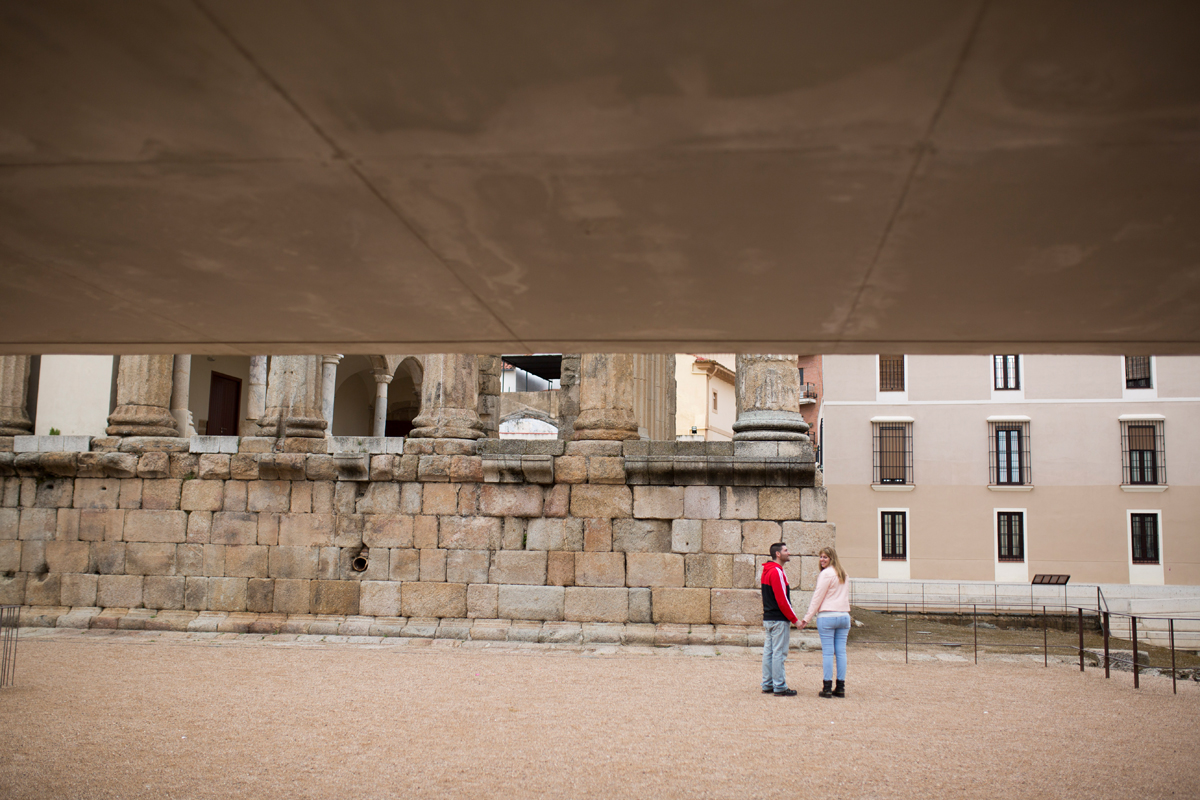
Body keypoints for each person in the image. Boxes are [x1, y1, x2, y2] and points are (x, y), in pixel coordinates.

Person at [799, 546, 851, 698]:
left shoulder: (826, 574)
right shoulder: (844, 574)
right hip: (844, 615)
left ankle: (827, 687)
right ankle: (840, 687)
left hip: (828, 615)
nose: (822, 559)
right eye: (821, 557)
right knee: (841, 652)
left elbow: (818, 597)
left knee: (828, 653)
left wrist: (806, 618)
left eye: (825, 557)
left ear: (831, 558)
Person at [761, 542, 798, 696]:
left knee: (769, 652)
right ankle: (779, 686)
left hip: (769, 617)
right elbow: (782, 600)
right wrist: (795, 619)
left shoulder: (766, 571)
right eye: (785, 550)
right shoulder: (777, 572)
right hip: (778, 619)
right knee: (779, 653)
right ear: (778, 554)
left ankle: (768, 683)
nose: (788, 553)